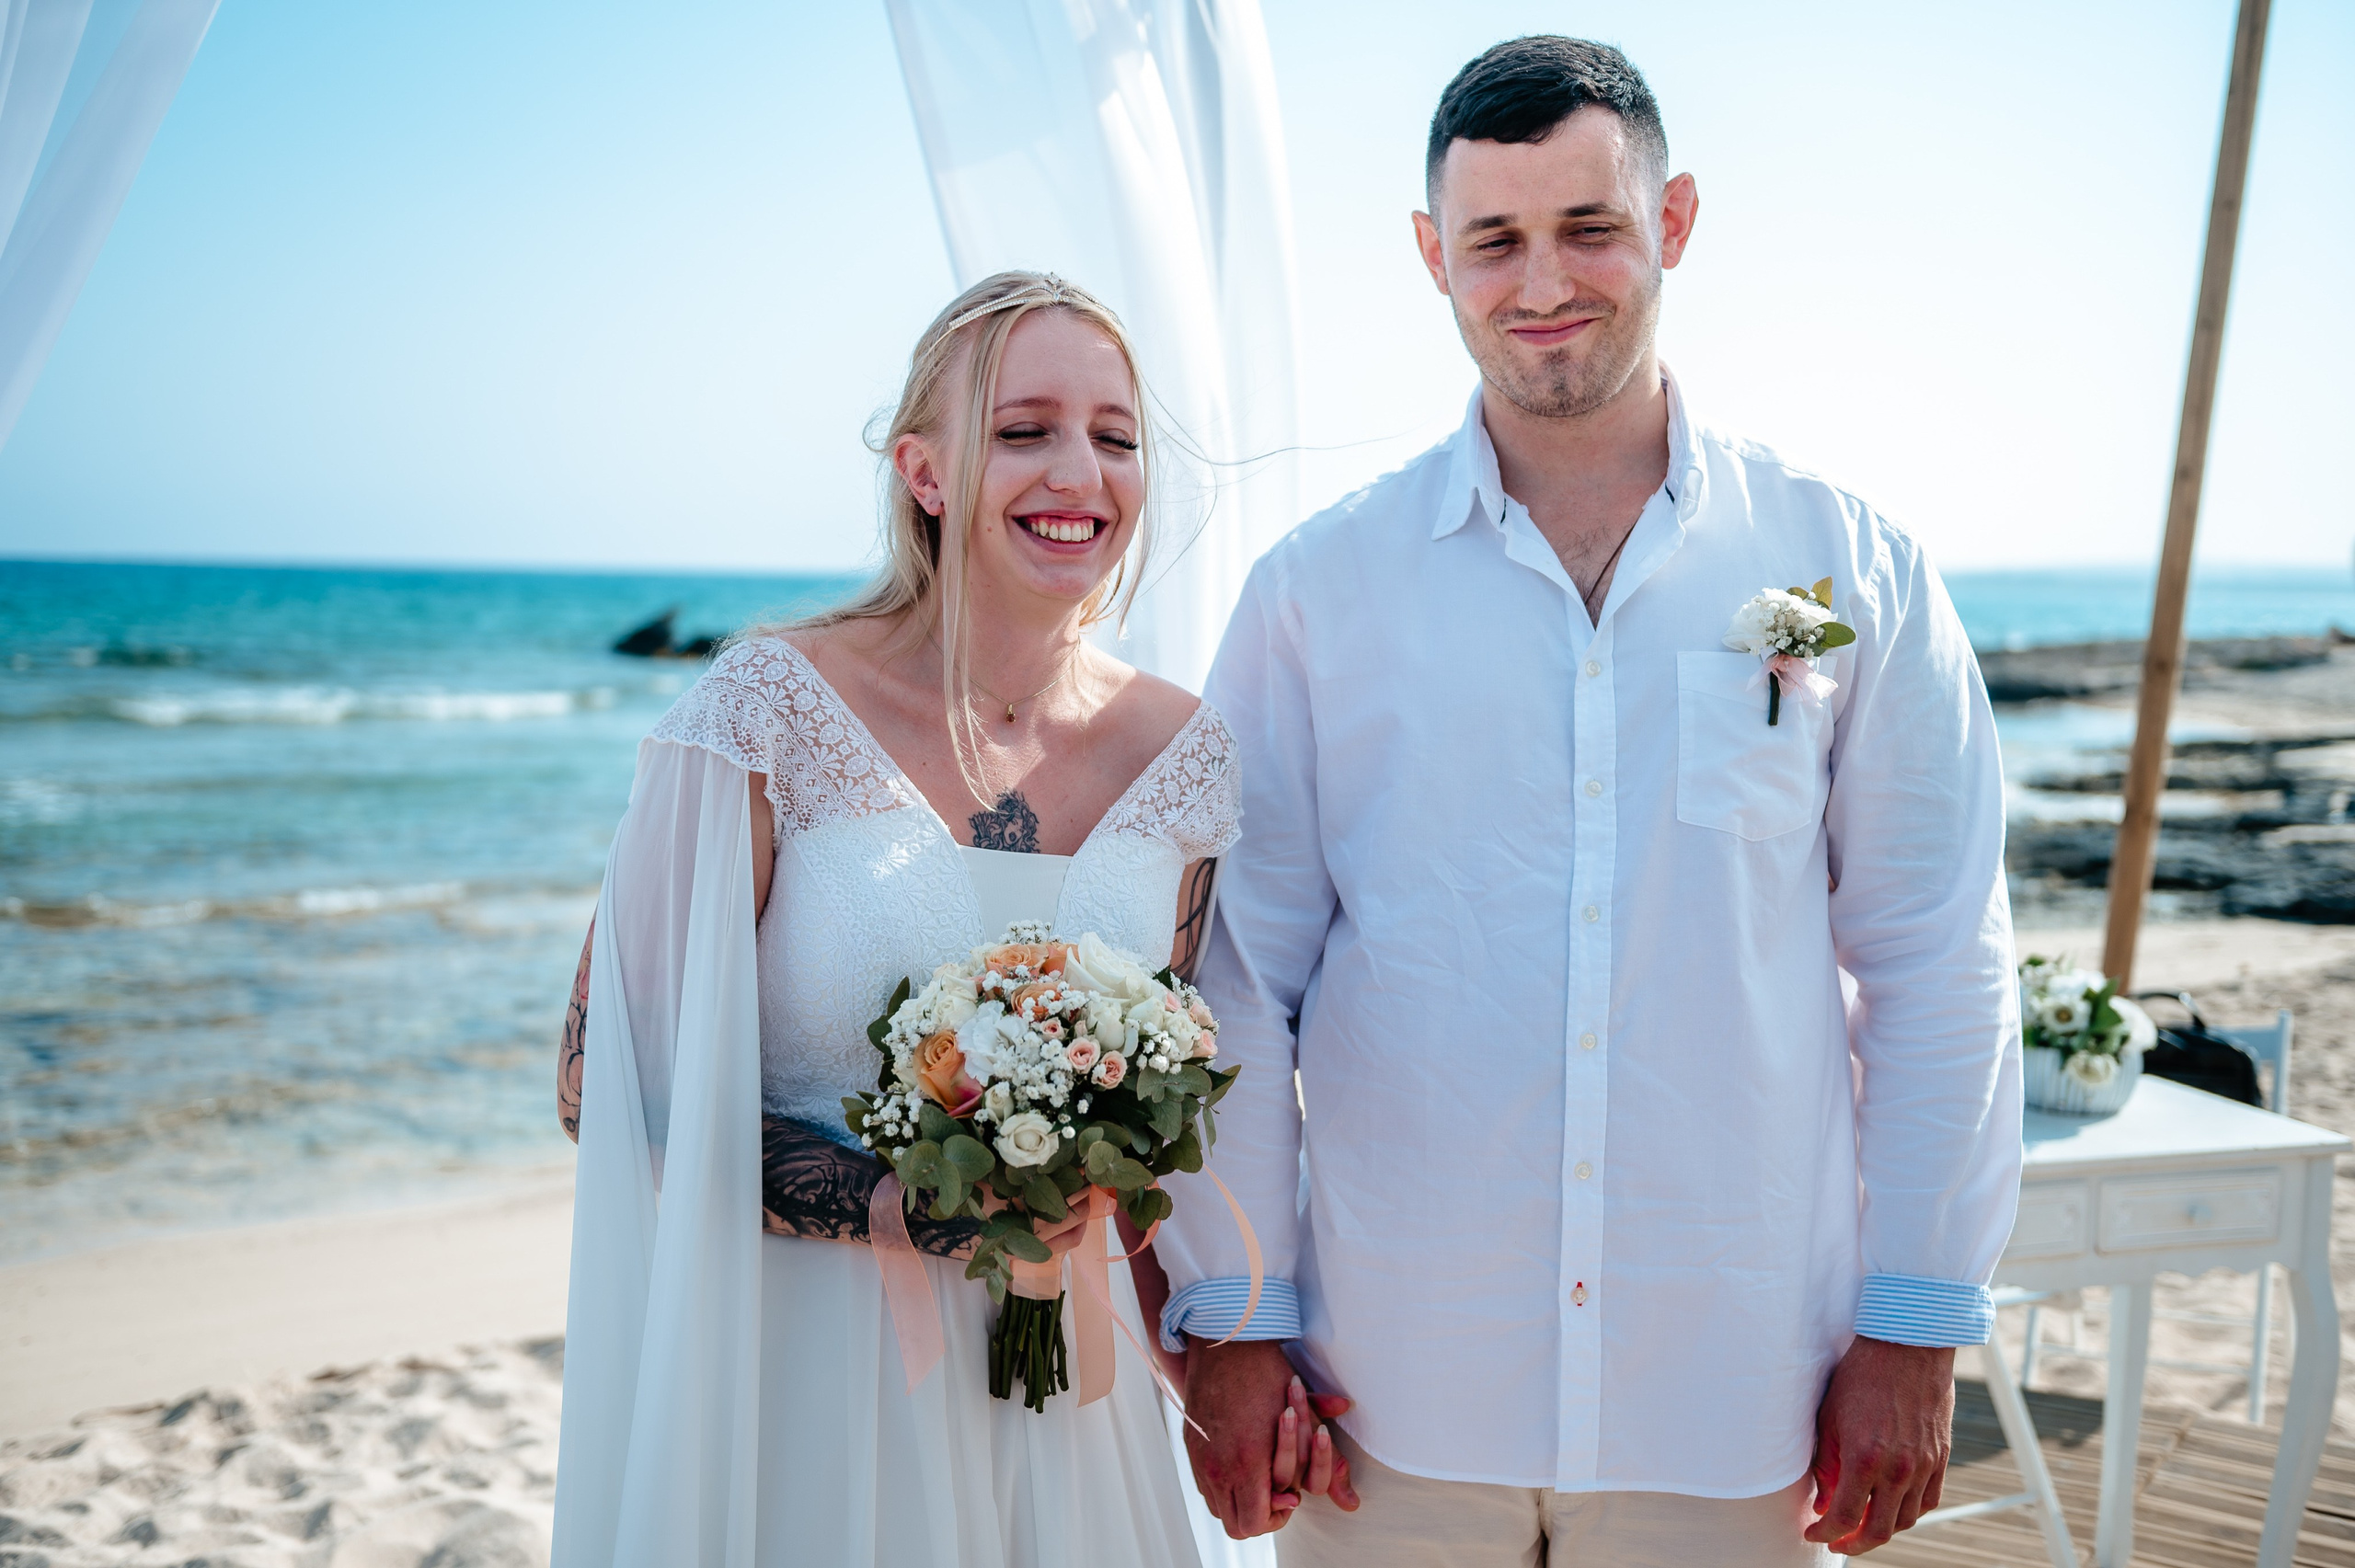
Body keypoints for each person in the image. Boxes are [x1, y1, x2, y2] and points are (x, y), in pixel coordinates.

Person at [1155, 37, 2023, 1565]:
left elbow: (1937, 960)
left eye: (1590, 228)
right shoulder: (1315, 597)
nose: (1541, 281)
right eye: (1493, 240)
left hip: (1739, 1394)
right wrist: (1234, 1312)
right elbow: (1233, 983)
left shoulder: (1853, 565)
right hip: (1392, 1396)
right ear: (1434, 257)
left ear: (1674, 223)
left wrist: (1916, 1318)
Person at [546, 271, 1347, 1567]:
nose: (1078, 470)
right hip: (809, 1381)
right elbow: (605, 1079)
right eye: (1025, 429)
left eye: (1115, 436)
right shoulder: (767, 709)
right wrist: (897, 1205)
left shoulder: (1185, 753)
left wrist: (1220, 1363)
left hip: (1075, 1416)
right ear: (925, 470)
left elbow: (1165, 1116)